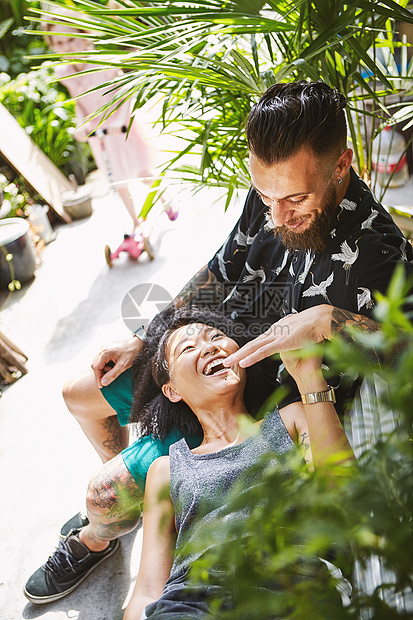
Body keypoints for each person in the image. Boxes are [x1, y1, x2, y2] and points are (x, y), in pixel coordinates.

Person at [24, 81, 413, 604]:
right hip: (201, 356)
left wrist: (331, 318)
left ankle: (102, 530)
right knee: (81, 392)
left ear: (341, 165)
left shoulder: (380, 253)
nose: (276, 215)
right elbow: (218, 273)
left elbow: (399, 348)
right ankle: (137, 506)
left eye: (295, 199)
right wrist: (151, 338)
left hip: (252, 415)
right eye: (266, 196)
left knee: (107, 492)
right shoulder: (271, 194)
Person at [122, 306, 354, 619]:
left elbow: (346, 493)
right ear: (172, 390)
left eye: (216, 337)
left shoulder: (291, 420)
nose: (208, 346)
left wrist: (309, 376)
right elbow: (149, 588)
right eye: (188, 348)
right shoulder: (165, 470)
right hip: (189, 603)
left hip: (289, 583)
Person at [44, 15, 178, 232]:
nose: (67, 46)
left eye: (70, 39)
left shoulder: (101, 59)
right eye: (59, 43)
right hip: (99, 131)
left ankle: (164, 199)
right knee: (117, 180)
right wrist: (81, 124)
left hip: (121, 124)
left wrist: (118, 120)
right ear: (52, 45)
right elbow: (79, 101)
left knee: (141, 170)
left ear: (83, 34)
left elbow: (124, 90)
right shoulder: (64, 72)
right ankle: (136, 224)